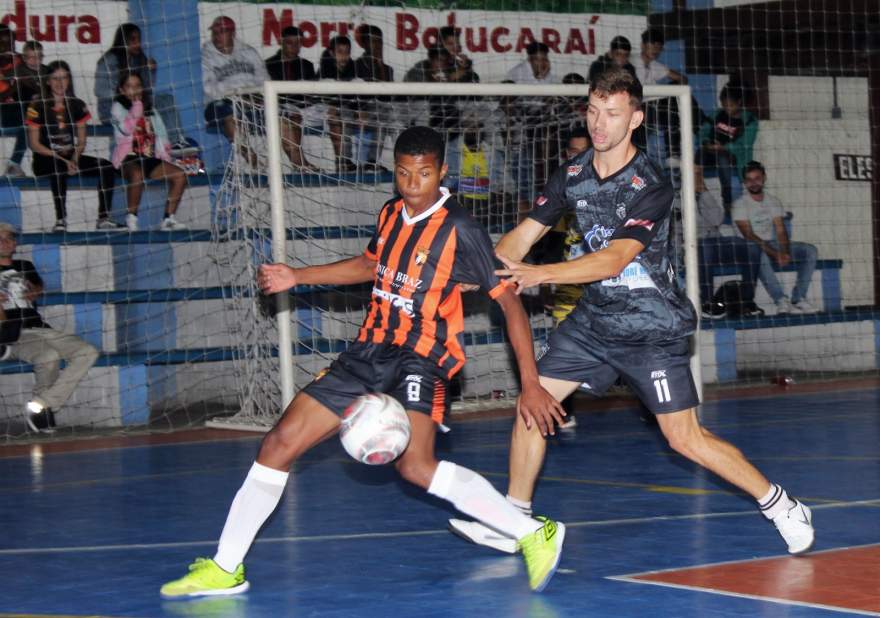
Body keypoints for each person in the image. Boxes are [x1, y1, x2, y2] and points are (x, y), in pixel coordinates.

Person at [159, 126, 567, 598]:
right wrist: (297, 276)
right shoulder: (391, 212)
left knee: (416, 466)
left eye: (425, 174)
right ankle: (225, 567)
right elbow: (370, 265)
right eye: (404, 173)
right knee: (278, 443)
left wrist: (531, 383)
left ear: (443, 173)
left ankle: (533, 533)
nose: (414, 184)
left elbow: (511, 306)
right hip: (368, 351)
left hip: (423, 358)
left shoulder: (462, 230)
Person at [446, 68, 815, 559]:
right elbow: (523, 235)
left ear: (636, 119)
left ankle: (781, 504)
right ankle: (516, 520)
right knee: (532, 405)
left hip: (650, 328)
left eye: (612, 114)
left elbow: (614, 258)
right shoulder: (571, 175)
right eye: (593, 111)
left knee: (684, 438)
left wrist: (538, 274)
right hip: (594, 321)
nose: (599, 124)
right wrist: (491, 270)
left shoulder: (651, 185)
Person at [0, 222, 100, 433]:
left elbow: (38, 285)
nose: (5, 242)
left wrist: (35, 289)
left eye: (9, 237)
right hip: (14, 334)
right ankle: (42, 412)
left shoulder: (24, 265)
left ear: (15, 242)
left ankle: (43, 404)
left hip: (40, 327)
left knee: (87, 352)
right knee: (48, 356)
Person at [26, 61, 122, 231]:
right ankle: (61, 220)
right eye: (55, 78)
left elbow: (82, 141)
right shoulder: (37, 106)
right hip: (46, 159)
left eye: (64, 77)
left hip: (70, 157)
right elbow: (34, 144)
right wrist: (61, 158)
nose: (60, 82)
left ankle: (103, 218)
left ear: (69, 80)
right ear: (47, 81)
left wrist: (75, 159)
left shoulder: (77, 105)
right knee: (58, 167)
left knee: (106, 167)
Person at [733, 161, 818, 315]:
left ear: (764, 178)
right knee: (759, 254)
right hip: (749, 248)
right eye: (749, 179)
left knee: (809, 250)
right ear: (744, 182)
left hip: (771, 244)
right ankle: (781, 300)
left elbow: (780, 230)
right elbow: (749, 235)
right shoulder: (740, 204)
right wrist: (775, 254)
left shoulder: (772, 201)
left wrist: (784, 251)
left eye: (757, 178)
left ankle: (799, 298)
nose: (753, 183)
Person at [679, 165, 762, 319]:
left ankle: (747, 299)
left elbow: (717, 219)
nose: (697, 177)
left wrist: (703, 191)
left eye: (699, 174)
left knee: (751, 246)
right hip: (693, 248)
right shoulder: (675, 197)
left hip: (717, 243)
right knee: (704, 245)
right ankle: (707, 303)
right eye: (694, 174)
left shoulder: (706, 193)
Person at [95, 23, 191, 154]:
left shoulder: (139, 58)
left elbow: (147, 89)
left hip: (136, 104)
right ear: (124, 40)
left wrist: (151, 71)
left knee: (167, 100)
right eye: (133, 39)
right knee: (142, 114)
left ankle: (176, 143)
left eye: (139, 39)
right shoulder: (109, 59)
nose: (138, 43)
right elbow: (100, 90)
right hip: (111, 108)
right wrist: (125, 95)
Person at [111, 71, 188, 231]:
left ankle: (168, 218)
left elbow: (161, 134)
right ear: (122, 90)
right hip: (128, 159)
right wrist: (138, 106)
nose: (135, 90)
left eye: (138, 86)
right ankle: (131, 218)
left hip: (149, 157)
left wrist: (165, 155)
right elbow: (127, 129)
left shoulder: (151, 110)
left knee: (180, 175)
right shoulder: (117, 108)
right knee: (137, 175)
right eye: (129, 87)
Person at [202, 16, 269, 167]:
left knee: (283, 116)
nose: (217, 36)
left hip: (252, 102)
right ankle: (249, 154)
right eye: (215, 32)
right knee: (228, 112)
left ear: (232, 34)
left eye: (222, 32)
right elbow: (209, 89)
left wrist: (256, 96)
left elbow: (264, 79)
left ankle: (298, 163)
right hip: (220, 104)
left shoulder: (249, 52)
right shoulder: (205, 55)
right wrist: (237, 97)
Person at [264, 26, 320, 171]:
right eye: (290, 43)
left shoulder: (306, 65)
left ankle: (299, 161)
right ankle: (299, 161)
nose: (295, 47)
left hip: (303, 108)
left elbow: (310, 94)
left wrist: (302, 104)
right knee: (288, 117)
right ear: (281, 42)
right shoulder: (269, 64)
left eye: (298, 43)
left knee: (294, 115)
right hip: (280, 107)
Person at [698, 84, 759, 214]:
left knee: (722, 158)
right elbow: (703, 131)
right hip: (711, 151)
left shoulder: (749, 120)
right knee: (697, 155)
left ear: (739, 102)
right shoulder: (718, 114)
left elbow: (744, 145)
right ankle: (697, 191)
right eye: (724, 105)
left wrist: (723, 147)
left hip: (733, 156)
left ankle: (727, 200)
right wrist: (706, 142)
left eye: (730, 105)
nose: (727, 109)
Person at [353, 24, 394, 172]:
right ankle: (370, 160)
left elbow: (387, 97)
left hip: (382, 108)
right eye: (373, 41)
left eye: (379, 41)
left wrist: (380, 66)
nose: (377, 45)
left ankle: (404, 160)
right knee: (383, 115)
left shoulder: (388, 69)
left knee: (396, 118)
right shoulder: (357, 64)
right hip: (362, 108)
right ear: (364, 44)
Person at [318, 35, 358, 172]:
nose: (344, 56)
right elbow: (325, 95)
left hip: (344, 106)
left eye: (347, 52)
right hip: (324, 106)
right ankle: (342, 159)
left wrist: (359, 110)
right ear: (331, 53)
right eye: (340, 52)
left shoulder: (352, 66)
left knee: (349, 114)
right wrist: (334, 105)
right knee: (340, 117)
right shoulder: (325, 67)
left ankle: (365, 161)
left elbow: (354, 93)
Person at [0, 24, 26, 177]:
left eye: (10, 42)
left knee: (34, 118)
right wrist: (17, 86)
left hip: (16, 111)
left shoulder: (19, 61)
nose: (7, 46)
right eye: (2, 43)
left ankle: (14, 165)